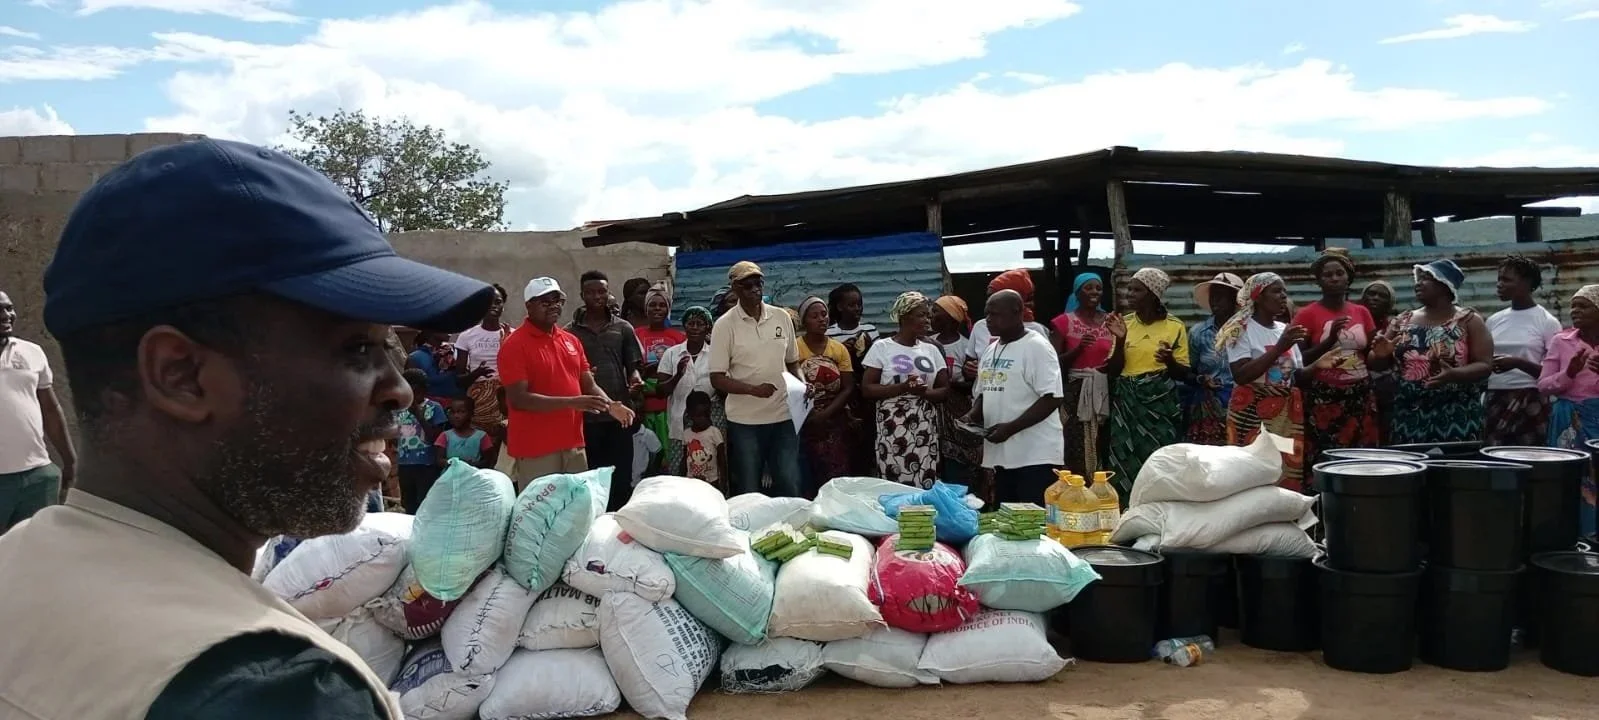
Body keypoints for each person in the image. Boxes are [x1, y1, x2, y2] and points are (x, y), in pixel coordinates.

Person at [0, 138, 496, 718]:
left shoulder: (19, 565)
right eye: (357, 348)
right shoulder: (275, 690)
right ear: (181, 376)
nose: (399, 389)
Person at [499, 277, 632, 494]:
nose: (554, 306)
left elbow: (588, 384)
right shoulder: (514, 345)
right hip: (537, 449)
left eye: (557, 300)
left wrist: (610, 405)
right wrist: (572, 403)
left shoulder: (570, 340)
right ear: (529, 306)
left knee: (575, 507)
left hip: (573, 445)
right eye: (545, 302)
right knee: (541, 510)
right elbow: (519, 399)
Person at [1220, 273, 1324, 492]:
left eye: (1284, 291)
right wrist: (1279, 348)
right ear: (1258, 296)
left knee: (1282, 469)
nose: (1283, 296)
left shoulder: (1284, 330)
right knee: (1250, 471)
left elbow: (1294, 376)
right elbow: (1241, 375)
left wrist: (1319, 364)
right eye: (1276, 291)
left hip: (1285, 416)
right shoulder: (1239, 329)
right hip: (1251, 414)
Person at [708, 261, 802, 497]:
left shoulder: (781, 317)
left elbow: (793, 362)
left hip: (783, 416)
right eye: (747, 285)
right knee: (750, 487)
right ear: (735, 288)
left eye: (758, 283)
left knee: (789, 481)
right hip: (745, 422)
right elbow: (717, 378)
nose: (754, 289)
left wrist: (803, 384)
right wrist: (753, 390)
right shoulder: (724, 325)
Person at [965, 290, 1063, 504]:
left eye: (995, 314)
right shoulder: (991, 350)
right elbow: (985, 391)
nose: (988, 319)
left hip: (1035, 456)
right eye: (986, 314)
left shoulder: (1036, 347)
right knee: (1009, 520)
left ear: (1017, 312)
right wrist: (972, 416)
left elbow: (1052, 398)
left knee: (1035, 519)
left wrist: (1010, 428)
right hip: (1002, 457)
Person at [1385, 259, 1493, 445]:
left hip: (1457, 412)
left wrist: (1454, 374)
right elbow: (1377, 362)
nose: (1418, 283)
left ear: (1445, 285)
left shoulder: (1469, 320)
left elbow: (1485, 365)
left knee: (1455, 462)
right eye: (1418, 278)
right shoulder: (1403, 320)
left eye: (1426, 278)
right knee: (1411, 462)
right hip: (1409, 412)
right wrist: (1380, 354)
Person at [1106, 268, 1190, 499]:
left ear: (1153, 294)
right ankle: (1126, 508)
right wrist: (1120, 340)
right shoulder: (1123, 324)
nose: (1129, 294)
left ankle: (1161, 505)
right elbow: (1113, 371)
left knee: (1160, 456)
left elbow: (1183, 373)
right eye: (1129, 289)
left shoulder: (1174, 326)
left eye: (1137, 290)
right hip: (1127, 403)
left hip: (1159, 404)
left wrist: (1169, 360)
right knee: (1124, 456)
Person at [1294, 248, 1380, 464]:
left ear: (1348, 278)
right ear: (1319, 281)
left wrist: (1383, 351)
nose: (1334, 278)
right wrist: (1330, 339)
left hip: (1360, 395)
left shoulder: (1361, 312)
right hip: (1324, 399)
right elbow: (1299, 359)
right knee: (1327, 457)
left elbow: (1371, 354)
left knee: (1362, 457)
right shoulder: (1306, 314)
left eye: (1339, 273)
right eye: (1328, 275)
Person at [0, 290, 77, 532]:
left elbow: (50, 409)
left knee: (35, 548)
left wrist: (69, 460)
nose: (6, 315)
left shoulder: (32, 352)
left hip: (38, 477)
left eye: (9, 308)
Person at [570, 270, 646, 509]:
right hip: (586, 418)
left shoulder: (623, 328)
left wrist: (635, 380)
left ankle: (617, 524)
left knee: (621, 479)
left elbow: (633, 366)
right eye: (591, 292)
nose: (597, 296)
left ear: (608, 292)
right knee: (591, 479)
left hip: (620, 416)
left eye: (601, 291)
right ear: (582, 295)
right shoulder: (569, 333)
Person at [862, 292, 949, 489]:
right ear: (904, 317)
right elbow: (867, 389)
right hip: (892, 425)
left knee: (925, 474)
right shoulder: (882, 347)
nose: (927, 320)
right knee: (894, 474)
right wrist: (902, 387)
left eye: (928, 315)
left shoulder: (931, 350)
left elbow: (944, 390)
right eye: (921, 315)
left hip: (924, 425)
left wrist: (923, 393)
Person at [1538, 284, 1599, 539]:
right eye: (1573, 306)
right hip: (1568, 423)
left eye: (1583, 306)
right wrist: (1569, 373)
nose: (1575, 311)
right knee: (1571, 479)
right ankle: (1571, 536)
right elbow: (1543, 385)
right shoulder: (1561, 341)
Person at [1485, 255, 1561, 446]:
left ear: (1527, 283)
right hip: (1495, 396)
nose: (1499, 284)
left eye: (1506, 279)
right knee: (1494, 453)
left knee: (1532, 454)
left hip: (1530, 399)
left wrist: (1517, 363)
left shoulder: (1547, 322)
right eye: (1499, 279)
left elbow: (1555, 374)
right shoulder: (1494, 320)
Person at [1051, 272, 1114, 477]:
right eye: (1088, 288)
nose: (1094, 292)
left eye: (1098, 288)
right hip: (1075, 393)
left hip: (1106, 389)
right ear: (1077, 293)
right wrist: (1078, 350)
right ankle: (1078, 485)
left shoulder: (1111, 322)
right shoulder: (1063, 322)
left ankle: (1102, 485)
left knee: (1104, 440)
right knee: (1075, 442)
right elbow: (1052, 361)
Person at [796, 296, 855, 495]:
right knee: (806, 474)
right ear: (804, 321)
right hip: (804, 419)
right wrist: (811, 414)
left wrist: (825, 414)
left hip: (834, 419)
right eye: (814, 316)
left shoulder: (838, 349)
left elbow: (847, 387)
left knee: (835, 474)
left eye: (824, 314)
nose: (821, 319)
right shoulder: (795, 348)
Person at [656, 306, 717, 475]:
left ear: (708, 328)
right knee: (680, 469)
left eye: (700, 324)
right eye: (691, 323)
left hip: (710, 422)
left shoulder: (715, 354)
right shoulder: (672, 354)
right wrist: (677, 375)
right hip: (679, 422)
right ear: (685, 327)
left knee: (709, 469)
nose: (695, 328)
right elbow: (660, 391)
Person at [931, 295, 983, 490]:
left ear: (951, 318)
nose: (931, 315)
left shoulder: (965, 346)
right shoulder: (927, 343)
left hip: (957, 410)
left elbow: (973, 384)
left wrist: (948, 384)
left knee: (956, 461)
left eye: (936, 311)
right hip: (932, 408)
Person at [1185, 272, 1243, 445]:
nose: (1215, 300)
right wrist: (1201, 379)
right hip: (1208, 406)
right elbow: (1188, 371)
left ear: (1235, 300)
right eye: (1213, 295)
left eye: (1221, 296)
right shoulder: (1198, 333)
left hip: (1242, 404)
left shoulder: (1247, 331)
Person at [636, 282, 685, 470]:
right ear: (646, 308)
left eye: (662, 305)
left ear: (668, 309)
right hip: (643, 408)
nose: (657, 309)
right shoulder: (635, 334)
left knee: (668, 458)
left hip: (668, 408)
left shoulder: (678, 337)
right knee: (645, 460)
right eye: (653, 305)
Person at [454, 283, 512, 439]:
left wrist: (507, 345)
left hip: (506, 398)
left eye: (498, 302)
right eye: (488, 302)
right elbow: (459, 380)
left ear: (503, 306)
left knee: (505, 441)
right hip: (478, 401)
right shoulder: (467, 336)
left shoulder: (512, 335)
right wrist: (477, 373)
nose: (493, 306)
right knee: (481, 443)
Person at [396, 369, 448, 512]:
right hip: (404, 464)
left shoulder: (434, 408)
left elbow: (436, 437)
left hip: (426, 464)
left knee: (425, 502)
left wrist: (418, 414)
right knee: (408, 503)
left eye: (416, 391)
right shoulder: (399, 410)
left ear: (424, 390)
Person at [408, 330, 483, 403]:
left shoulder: (456, 352)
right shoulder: (416, 358)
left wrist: (476, 374)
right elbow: (412, 393)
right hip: (433, 408)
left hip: (460, 407)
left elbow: (461, 380)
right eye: (443, 325)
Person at [434, 396, 497, 470]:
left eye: (461, 412)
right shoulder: (445, 436)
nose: (456, 416)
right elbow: (439, 460)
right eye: (452, 412)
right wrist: (453, 463)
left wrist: (470, 465)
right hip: (450, 476)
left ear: (471, 414)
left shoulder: (481, 436)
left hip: (473, 475)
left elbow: (489, 460)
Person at [682, 391, 727, 493]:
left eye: (706, 415)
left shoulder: (714, 432)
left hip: (712, 482)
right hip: (691, 482)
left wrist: (723, 482)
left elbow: (722, 460)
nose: (703, 419)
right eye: (699, 416)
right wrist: (681, 478)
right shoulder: (686, 434)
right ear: (690, 415)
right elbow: (685, 458)